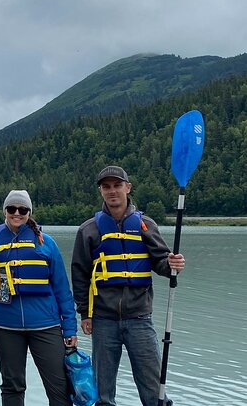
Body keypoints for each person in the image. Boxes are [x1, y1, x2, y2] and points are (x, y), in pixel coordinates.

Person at [71, 166, 186, 406]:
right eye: (106, 187)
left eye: (117, 185)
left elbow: (162, 262)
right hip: (103, 319)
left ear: (128, 187)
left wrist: (172, 263)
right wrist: (85, 314)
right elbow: (80, 275)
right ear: (101, 191)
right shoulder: (88, 230)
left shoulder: (146, 225)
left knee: (154, 390)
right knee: (103, 393)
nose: (112, 191)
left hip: (140, 318)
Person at [0, 189, 78, 406]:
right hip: (5, 325)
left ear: (29, 212)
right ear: (5, 211)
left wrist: (70, 328)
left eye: (22, 209)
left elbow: (62, 289)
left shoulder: (46, 242)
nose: (17, 213)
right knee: (12, 385)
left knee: (59, 387)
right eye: (12, 209)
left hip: (45, 325)